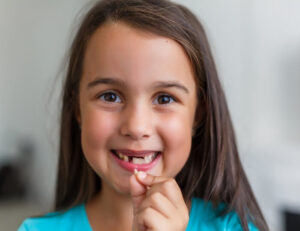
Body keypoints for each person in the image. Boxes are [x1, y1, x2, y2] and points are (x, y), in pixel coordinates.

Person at [18, 0, 269, 230]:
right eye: (110, 96)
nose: (137, 127)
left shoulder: (234, 226)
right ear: (77, 110)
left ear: (198, 115)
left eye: (165, 98)